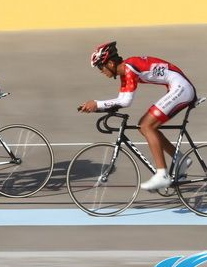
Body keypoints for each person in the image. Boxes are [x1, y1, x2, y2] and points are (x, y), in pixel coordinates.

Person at [78, 41, 195, 191]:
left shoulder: (129, 68)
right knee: (144, 126)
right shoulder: (126, 72)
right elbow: (121, 100)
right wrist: (98, 108)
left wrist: (97, 104)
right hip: (177, 87)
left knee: (147, 126)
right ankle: (180, 159)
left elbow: (125, 101)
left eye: (101, 66)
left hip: (181, 88)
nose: (100, 71)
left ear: (111, 63)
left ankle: (162, 174)